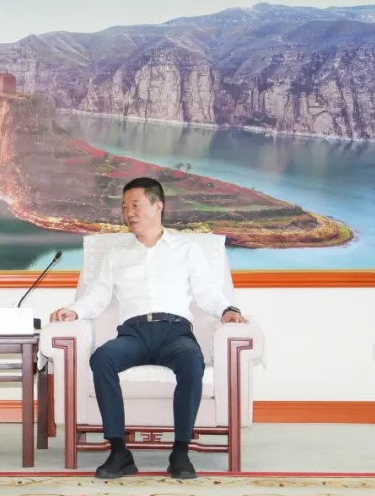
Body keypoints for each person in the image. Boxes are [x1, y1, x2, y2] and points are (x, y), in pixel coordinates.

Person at [49, 177, 248, 480]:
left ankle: (180, 451)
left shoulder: (187, 249)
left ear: (158, 206)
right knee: (102, 358)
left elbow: (208, 293)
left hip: (175, 332)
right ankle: (119, 451)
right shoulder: (116, 253)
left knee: (191, 360)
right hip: (134, 334)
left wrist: (228, 310)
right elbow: (98, 295)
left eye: (135, 205)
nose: (128, 213)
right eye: (124, 207)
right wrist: (73, 310)